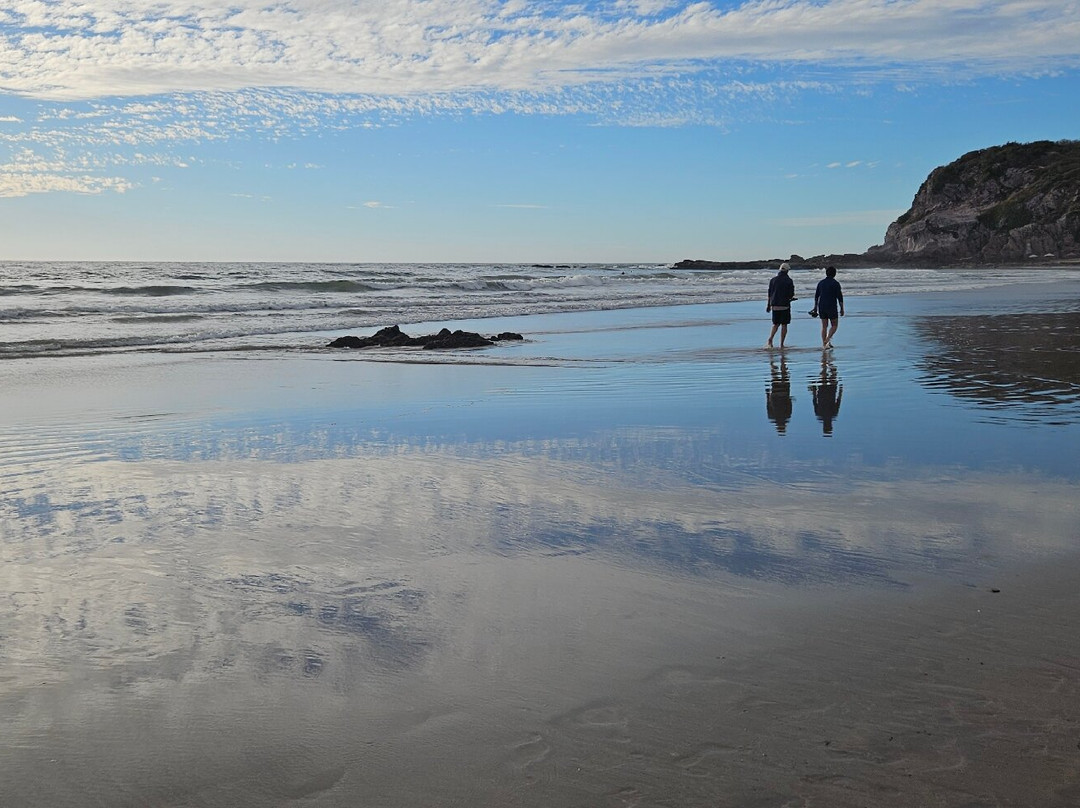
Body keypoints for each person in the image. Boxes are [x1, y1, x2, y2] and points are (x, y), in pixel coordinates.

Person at [766, 262, 795, 349]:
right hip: (785, 305)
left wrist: (768, 305)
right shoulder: (789, 281)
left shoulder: (773, 280)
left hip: (774, 305)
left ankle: (770, 339)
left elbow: (770, 294)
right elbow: (791, 294)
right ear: (787, 271)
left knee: (775, 324)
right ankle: (781, 344)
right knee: (784, 325)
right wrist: (791, 298)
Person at [814, 266, 844, 348]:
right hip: (831, 306)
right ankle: (827, 339)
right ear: (834, 274)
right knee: (834, 325)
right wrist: (842, 309)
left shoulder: (821, 283)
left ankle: (824, 344)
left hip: (822, 306)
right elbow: (840, 297)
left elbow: (816, 296)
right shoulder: (835, 283)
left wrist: (815, 308)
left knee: (824, 326)